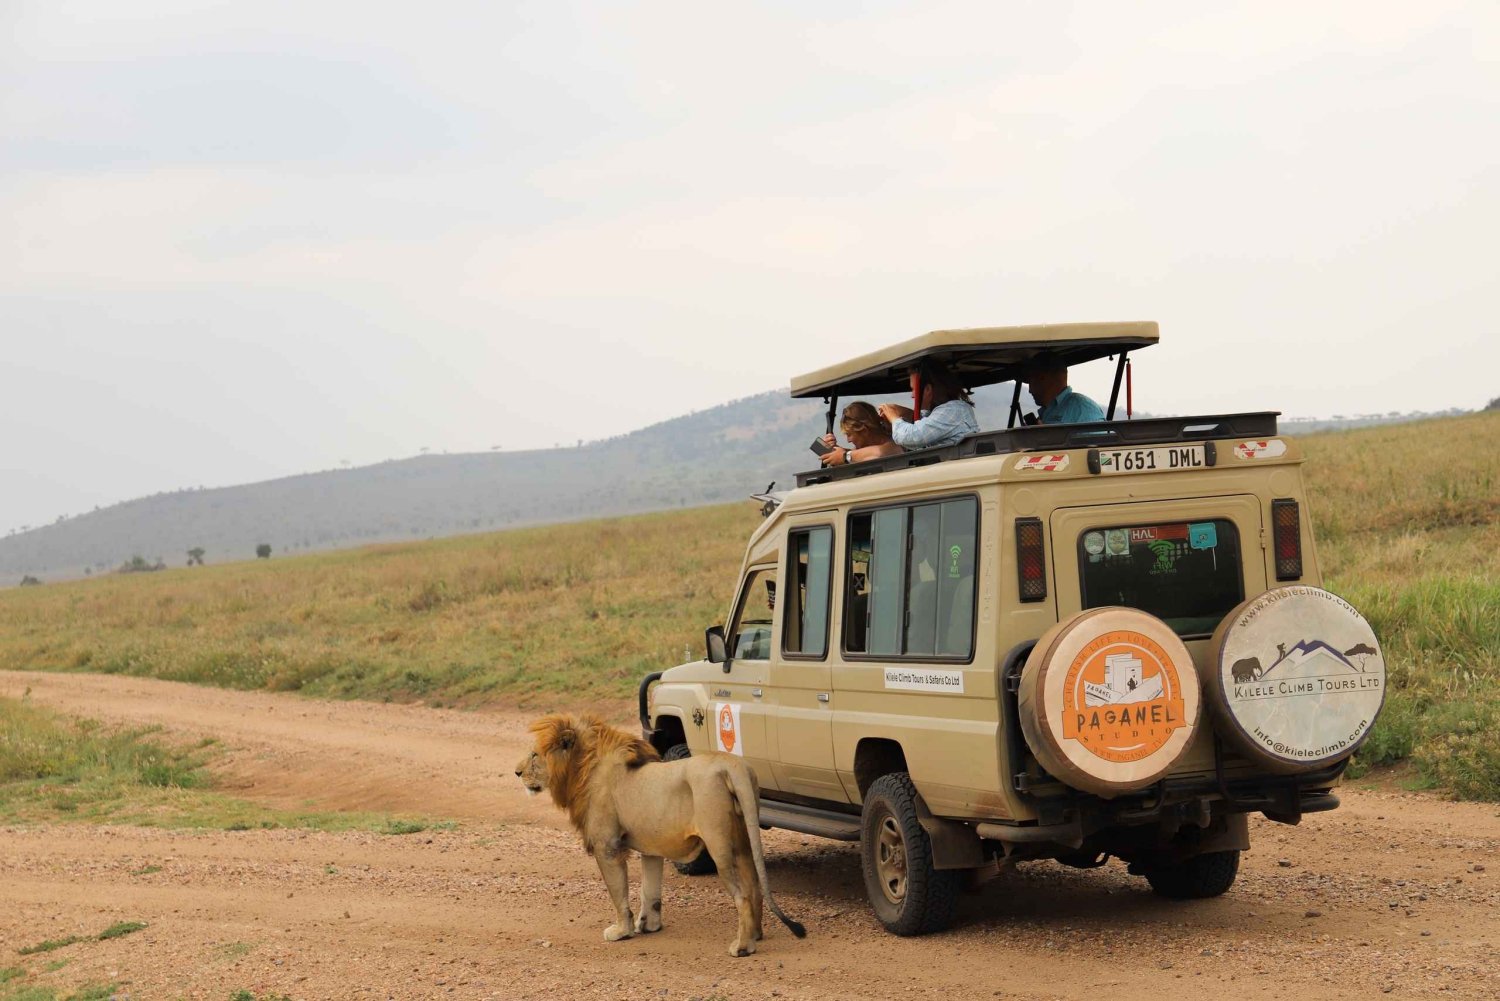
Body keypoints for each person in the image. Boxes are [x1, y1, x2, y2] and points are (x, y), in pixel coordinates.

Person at [877, 359, 979, 449]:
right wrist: (903, 414)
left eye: (913, 389)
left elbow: (913, 437)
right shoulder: (940, 413)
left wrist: (894, 418)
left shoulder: (954, 410)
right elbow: (923, 427)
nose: (912, 395)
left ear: (928, 389)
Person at [819, 401, 905, 467]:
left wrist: (845, 457)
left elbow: (881, 452)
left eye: (849, 434)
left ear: (864, 431)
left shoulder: (897, 442)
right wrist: (833, 451)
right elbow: (862, 454)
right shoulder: (862, 453)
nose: (848, 440)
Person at [1023, 359, 1105, 424]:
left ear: (1043, 378)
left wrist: (1047, 438)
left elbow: (1099, 444)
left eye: (1030, 381)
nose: (1030, 390)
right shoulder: (1047, 412)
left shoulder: (1083, 409)